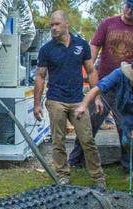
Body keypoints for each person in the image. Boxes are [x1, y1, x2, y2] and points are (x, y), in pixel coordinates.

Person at [68, 0, 133, 171]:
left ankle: (129, 166)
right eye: (127, 5)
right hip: (103, 84)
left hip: (129, 88)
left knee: (126, 127)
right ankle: (76, 160)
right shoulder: (108, 23)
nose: (129, 10)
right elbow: (93, 47)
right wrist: (88, 70)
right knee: (88, 122)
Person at [33, 11, 106, 188]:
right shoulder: (46, 49)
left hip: (78, 101)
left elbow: (91, 71)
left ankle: (98, 178)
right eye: (51, 25)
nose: (53, 28)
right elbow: (40, 77)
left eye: (57, 24)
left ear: (66, 24)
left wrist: (96, 97)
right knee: (58, 140)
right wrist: (36, 104)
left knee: (87, 139)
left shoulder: (81, 45)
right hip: (55, 100)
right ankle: (62, 175)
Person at [75, 54, 133, 194]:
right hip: (130, 111)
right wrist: (83, 105)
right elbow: (97, 88)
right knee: (127, 143)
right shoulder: (119, 74)